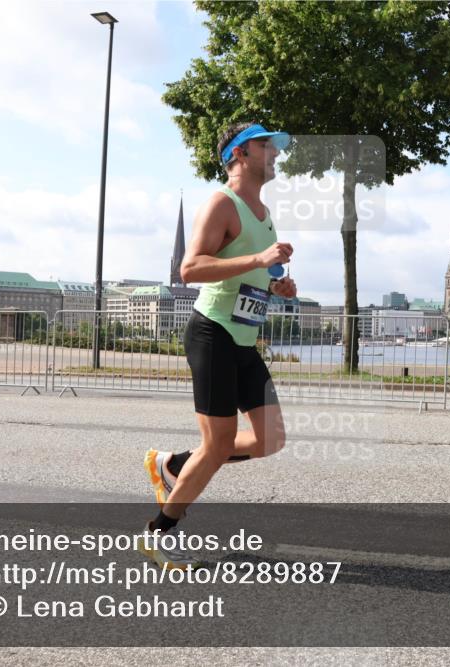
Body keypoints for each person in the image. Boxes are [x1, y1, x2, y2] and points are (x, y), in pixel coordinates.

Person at [139, 122, 297, 569]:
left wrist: (278, 286)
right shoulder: (221, 203)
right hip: (213, 332)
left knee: (271, 439)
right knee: (219, 443)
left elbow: (254, 275)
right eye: (268, 147)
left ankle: (174, 465)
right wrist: (260, 259)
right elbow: (190, 269)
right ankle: (156, 534)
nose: (276, 155)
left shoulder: (263, 213)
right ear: (242, 154)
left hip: (245, 340)